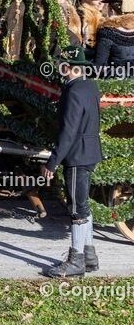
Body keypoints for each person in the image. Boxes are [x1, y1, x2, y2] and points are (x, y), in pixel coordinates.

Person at [41, 46, 103, 278]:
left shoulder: (73, 91)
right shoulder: (90, 87)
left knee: (77, 208)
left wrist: (52, 162)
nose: (59, 68)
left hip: (77, 155)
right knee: (83, 203)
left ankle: (75, 261)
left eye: (61, 65)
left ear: (67, 67)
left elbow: (68, 131)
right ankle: (89, 255)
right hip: (90, 152)